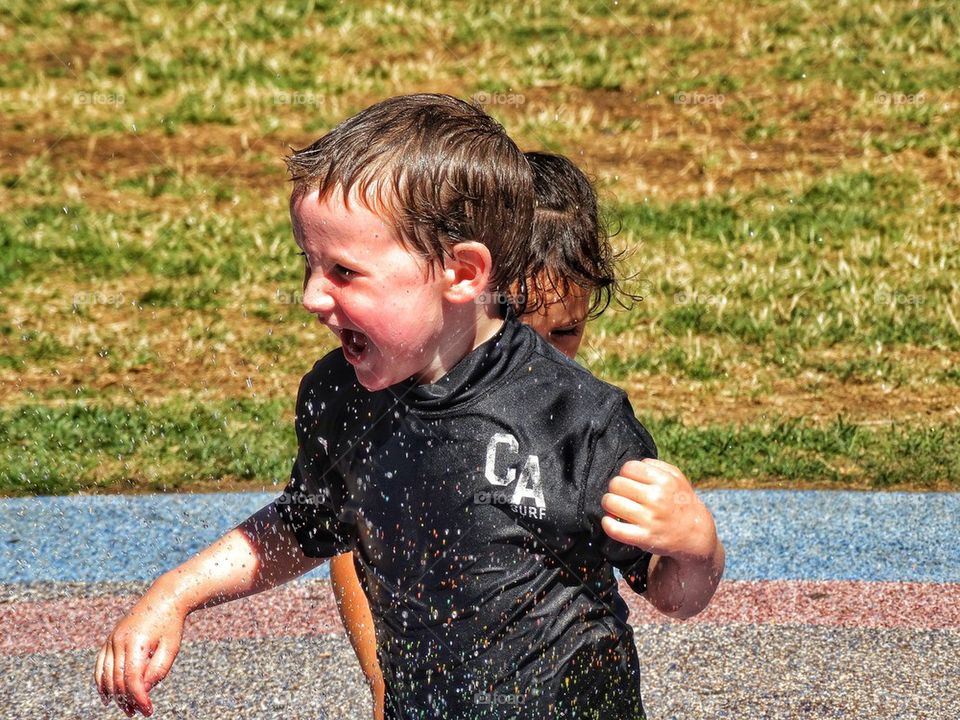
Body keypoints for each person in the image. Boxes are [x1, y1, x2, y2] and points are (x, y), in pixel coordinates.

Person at [94, 94, 724, 720]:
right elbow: (304, 528)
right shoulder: (341, 396)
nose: (313, 296)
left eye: (343, 271)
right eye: (308, 265)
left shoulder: (573, 416)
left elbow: (671, 592)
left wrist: (697, 549)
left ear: (462, 273)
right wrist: (175, 593)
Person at [328, 149, 647, 719]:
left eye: (567, 332)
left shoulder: (581, 417)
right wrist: (382, 681)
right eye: (521, 331)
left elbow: (659, 575)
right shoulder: (407, 404)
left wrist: (694, 544)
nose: (541, 360)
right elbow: (348, 543)